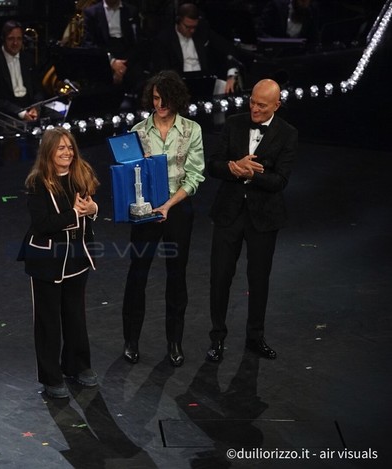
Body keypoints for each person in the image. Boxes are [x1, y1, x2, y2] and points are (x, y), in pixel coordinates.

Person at [205, 78, 298, 362]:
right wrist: (233, 168)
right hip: (228, 213)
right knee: (220, 277)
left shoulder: (288, 133)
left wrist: (251, 174)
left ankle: (255, 337)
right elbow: (213, 165)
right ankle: (217, 338)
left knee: (258, 280)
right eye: (252, 102)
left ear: (276, 106)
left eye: (262, 105)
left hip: (264, 217)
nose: (254, 109)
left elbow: (280, 180)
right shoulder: (234, 123)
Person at [121, 70, 205, 367]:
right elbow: (129, 175)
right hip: (146, 210)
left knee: (176, 275)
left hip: (177, 209)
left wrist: (168, 205)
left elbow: (195, 176)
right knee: (138, 274)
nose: (159, 104)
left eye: (164, 99)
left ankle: (174, 342)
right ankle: (131, 341)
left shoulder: (191, 130)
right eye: (155, 98)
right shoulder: (138, 131)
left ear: (176, 98)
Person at [18, 127, 100, 399]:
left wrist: (93, 210)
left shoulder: (81, 175)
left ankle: (77, 365)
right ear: (48, 153)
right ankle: (51, 377)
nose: (67, 152)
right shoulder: (37, 183)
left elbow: (88, 207)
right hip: (46, 260)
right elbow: (42, 225)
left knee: (75, 315)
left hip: (77, 256)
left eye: (70, 147)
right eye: (60, 148)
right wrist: (75, 214)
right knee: (48, 320)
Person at [151, 2, 241, 98]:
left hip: (205, 80)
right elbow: (163, 70)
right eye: (187, 27)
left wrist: (231, 75)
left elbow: (228, 48)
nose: (192, 31)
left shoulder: (203, 30)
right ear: (178, 21)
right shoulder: (165, 39)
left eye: (194, 27)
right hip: (178, 84)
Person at [0, 20, 43, 121]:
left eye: (19, 39)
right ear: (3, 39)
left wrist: (36, 108)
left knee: (60, 119)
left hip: (30, 107)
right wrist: (21, 113)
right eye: (11, 39)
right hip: (7, 112)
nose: (15, 43)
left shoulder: (28, 59)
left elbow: (38, 90)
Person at [82, 0, 145, 95]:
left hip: (126, 55)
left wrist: (122, 67)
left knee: (139, 79)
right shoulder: (92, 13)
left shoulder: (131, 11)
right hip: (103, 53)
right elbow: (89, 44)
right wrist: (111, 62)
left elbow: (136, 42)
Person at [257, 0, 321, 43]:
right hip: (274, 53)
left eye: (307, 1)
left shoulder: (311, 11)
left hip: (298, 55)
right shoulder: (276, 6)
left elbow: (314, 38)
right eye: (302, 1)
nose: (304, 4)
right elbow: (261, 31)